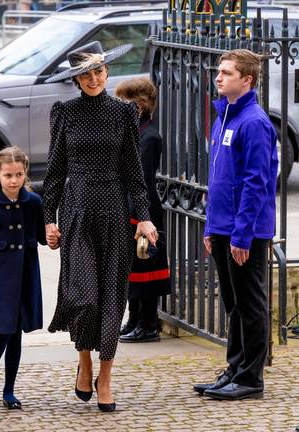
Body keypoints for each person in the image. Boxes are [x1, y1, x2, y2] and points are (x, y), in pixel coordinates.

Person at [42, 41, 158, 412]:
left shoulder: (124, 113)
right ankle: (85, 360)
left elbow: (134, 175)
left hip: (113, 215)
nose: (93, 78)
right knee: (84, 297)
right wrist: (48, 219)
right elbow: (55, 172)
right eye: (85, 73)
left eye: (99, 71)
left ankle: (105, 375)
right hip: (76, 213)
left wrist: (144, 217)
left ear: (107, 72)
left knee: (111, 301)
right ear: (76, 79)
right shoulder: (64, 112)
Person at [194, 49, 277, 401]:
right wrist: (212, 227)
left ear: (247, 80)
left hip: (246, 233)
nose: (218, 77)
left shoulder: (254, 122)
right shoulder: (225, 117)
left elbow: (256, 183)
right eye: (219, 71)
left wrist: (241, 235)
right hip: (224, 229)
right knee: (233, 304)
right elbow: (221, 179)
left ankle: (250, 378)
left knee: (250, 304)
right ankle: (235, 367)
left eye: (227, 73)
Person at [0, 146, 46, 410]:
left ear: (25, 174)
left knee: (16, 335)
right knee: (3, 330)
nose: (14, 180)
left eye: (19, 174)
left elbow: (42, 236)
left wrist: (54, 234)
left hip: (25, 275)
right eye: (8, 175)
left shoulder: (34, 202)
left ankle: (10, 390)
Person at [115, 77, 171, 343]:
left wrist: (141, 218)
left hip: (143, 212)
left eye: (124, 102)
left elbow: (145, 182)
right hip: (128, 209)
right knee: (132, 271)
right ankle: (134, 319)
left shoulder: (149, 137)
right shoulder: (132, 131)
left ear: (139, 105)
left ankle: (148, 325)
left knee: (146, 271)